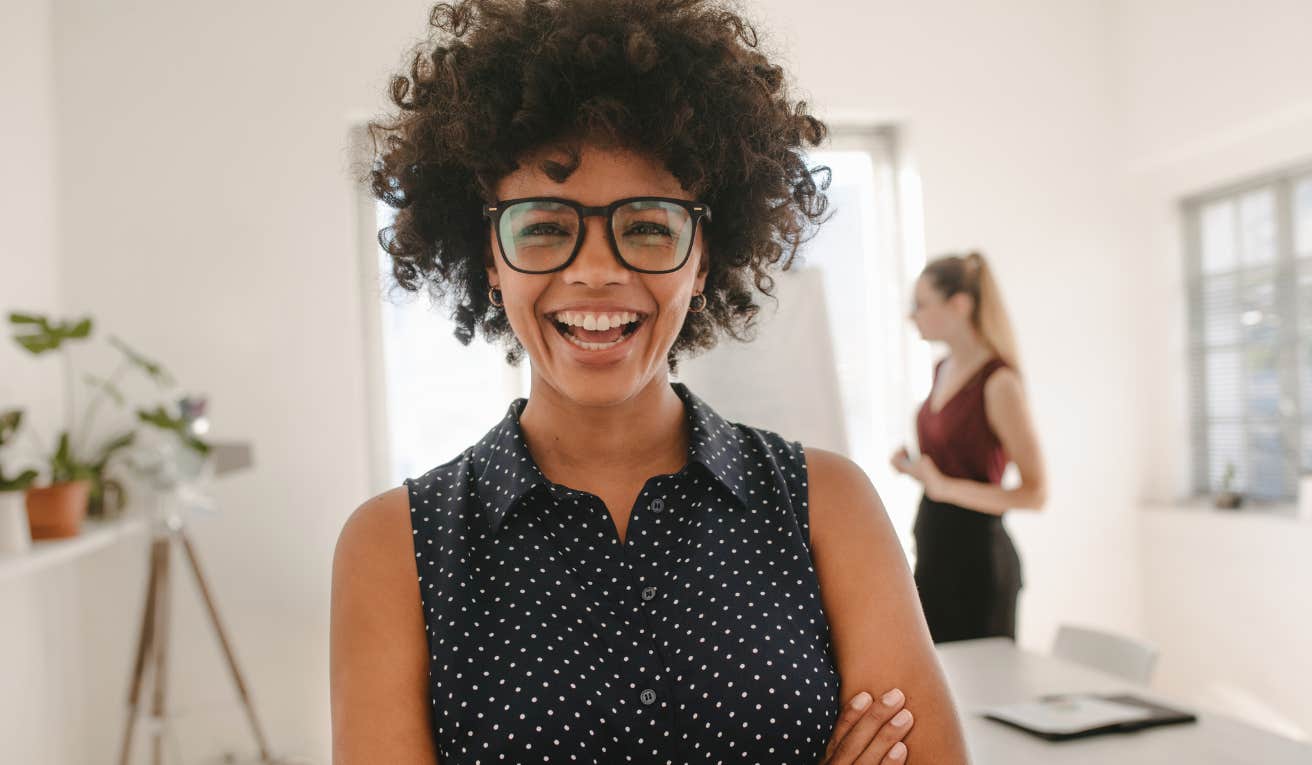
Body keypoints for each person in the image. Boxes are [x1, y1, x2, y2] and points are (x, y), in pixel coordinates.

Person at [331, 1, 969, 763]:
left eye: (647, 226)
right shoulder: (392, 549)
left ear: (703, 259)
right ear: (491, 261)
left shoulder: (830, 509)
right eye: (543, 225)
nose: (597, 270)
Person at [891, 252, 1048, 644]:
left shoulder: (999, 383)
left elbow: (1036, 494)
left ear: (959, 305)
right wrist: (916, 470)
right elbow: (951, 468)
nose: (913, 316)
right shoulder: (941, 369)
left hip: (979, 566)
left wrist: (944, 487)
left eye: (920, 305)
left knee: (980, 691)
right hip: (935, 555)